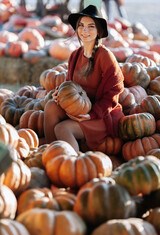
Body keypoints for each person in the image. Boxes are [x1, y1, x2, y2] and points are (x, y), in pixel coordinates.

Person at [44, 4, 124, 153]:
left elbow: (114, 92)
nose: (84, 30)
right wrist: (59, 94)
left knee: (62, 129)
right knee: (51, 107)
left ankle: (71, 165)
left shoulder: (105, 56)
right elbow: (69, 85)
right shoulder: (75, 55)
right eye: (81, 25)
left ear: (99, 31)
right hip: (79, 108)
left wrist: (91, 115)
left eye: (90, 26)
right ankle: (51, 154)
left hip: (101, 115)